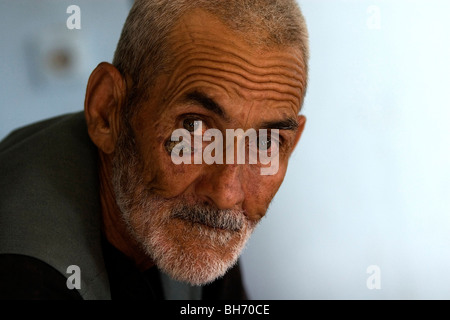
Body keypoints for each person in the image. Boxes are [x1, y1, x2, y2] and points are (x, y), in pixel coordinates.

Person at [0, 0, 309, 300]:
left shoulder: (193, 219)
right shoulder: (24, 273)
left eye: (265, 142)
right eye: (193, 127)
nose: (226, 193)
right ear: (108, 111)